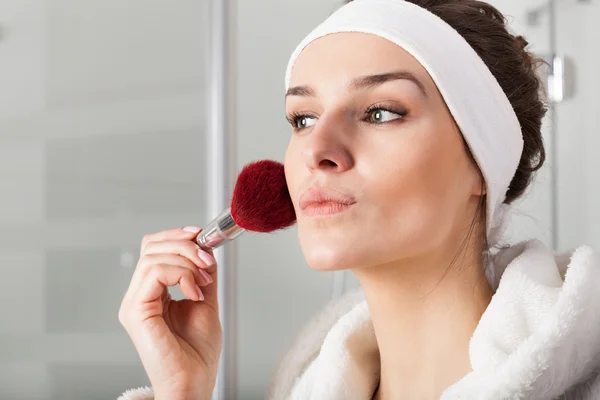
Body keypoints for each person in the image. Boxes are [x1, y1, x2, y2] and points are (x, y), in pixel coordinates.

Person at [117, 0, 600, 399]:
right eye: (302, 119)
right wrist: (181, 390)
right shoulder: (298, 385)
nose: (317, 151)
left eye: (381, 113)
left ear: (481, 162)